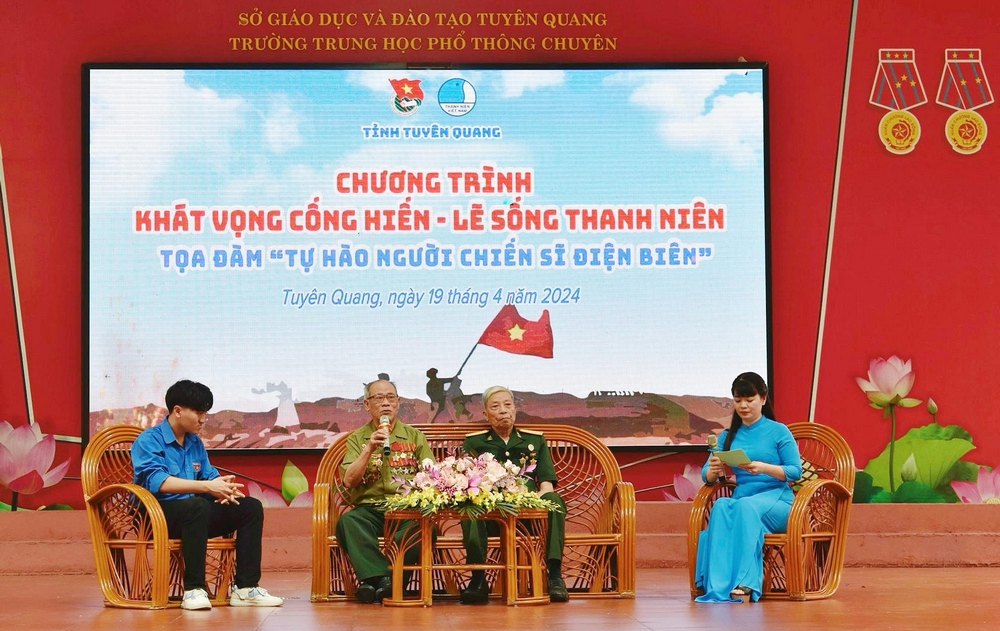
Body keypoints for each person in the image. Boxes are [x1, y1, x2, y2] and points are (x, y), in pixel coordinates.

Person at [131, 380, 284, 611]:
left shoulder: (194, 442)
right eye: (198, 413)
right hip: (155, 515)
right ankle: (194, 590)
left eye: (205, 413)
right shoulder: (149, 440)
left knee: (250, 507)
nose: (203, 419)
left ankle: (245, 588)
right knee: (197, 506)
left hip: (194, 514)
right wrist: (207, 488)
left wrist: (224, 490)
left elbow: (209, 476)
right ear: (177, 411)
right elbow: (158, 482)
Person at [694, 372, 802, 603]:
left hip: (777, 500)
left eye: (749, 399)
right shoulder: (727, 436)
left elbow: (795, 471)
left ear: (763, 399)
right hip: (744, 498)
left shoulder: (779, 431)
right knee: (721, 506)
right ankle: (719, 584)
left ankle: (747, 583)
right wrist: (713, 468)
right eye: (738, 400)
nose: (743, 405)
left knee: (745, 508)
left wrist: (763, 467)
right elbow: (707, 476)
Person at [459, 385, 569, 604]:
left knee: (554, 500)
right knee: (469, 503)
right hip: (490, 514)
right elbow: (467, 480)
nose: (503, 410)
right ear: (485, 414)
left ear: (515, 409)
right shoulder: (474, 442)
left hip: (528, 514)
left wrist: (537, 500)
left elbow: (546, 484)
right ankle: (478, 579)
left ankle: (555, 576)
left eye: (507, 405)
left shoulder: (534, 440)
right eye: (495, 406)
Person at [338, 378, 434, 603]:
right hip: (369, 509)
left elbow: (433, 476)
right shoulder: (357, 438)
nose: (386, 403)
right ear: (367, 404)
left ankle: (374, 581)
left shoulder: (414, 436)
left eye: (391, 398)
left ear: (398, 402)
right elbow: (349, 482)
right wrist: (369, 449)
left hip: (406, 508)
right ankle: (389, 582)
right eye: (379, 398)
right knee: (348, 522)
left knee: (425, 527)